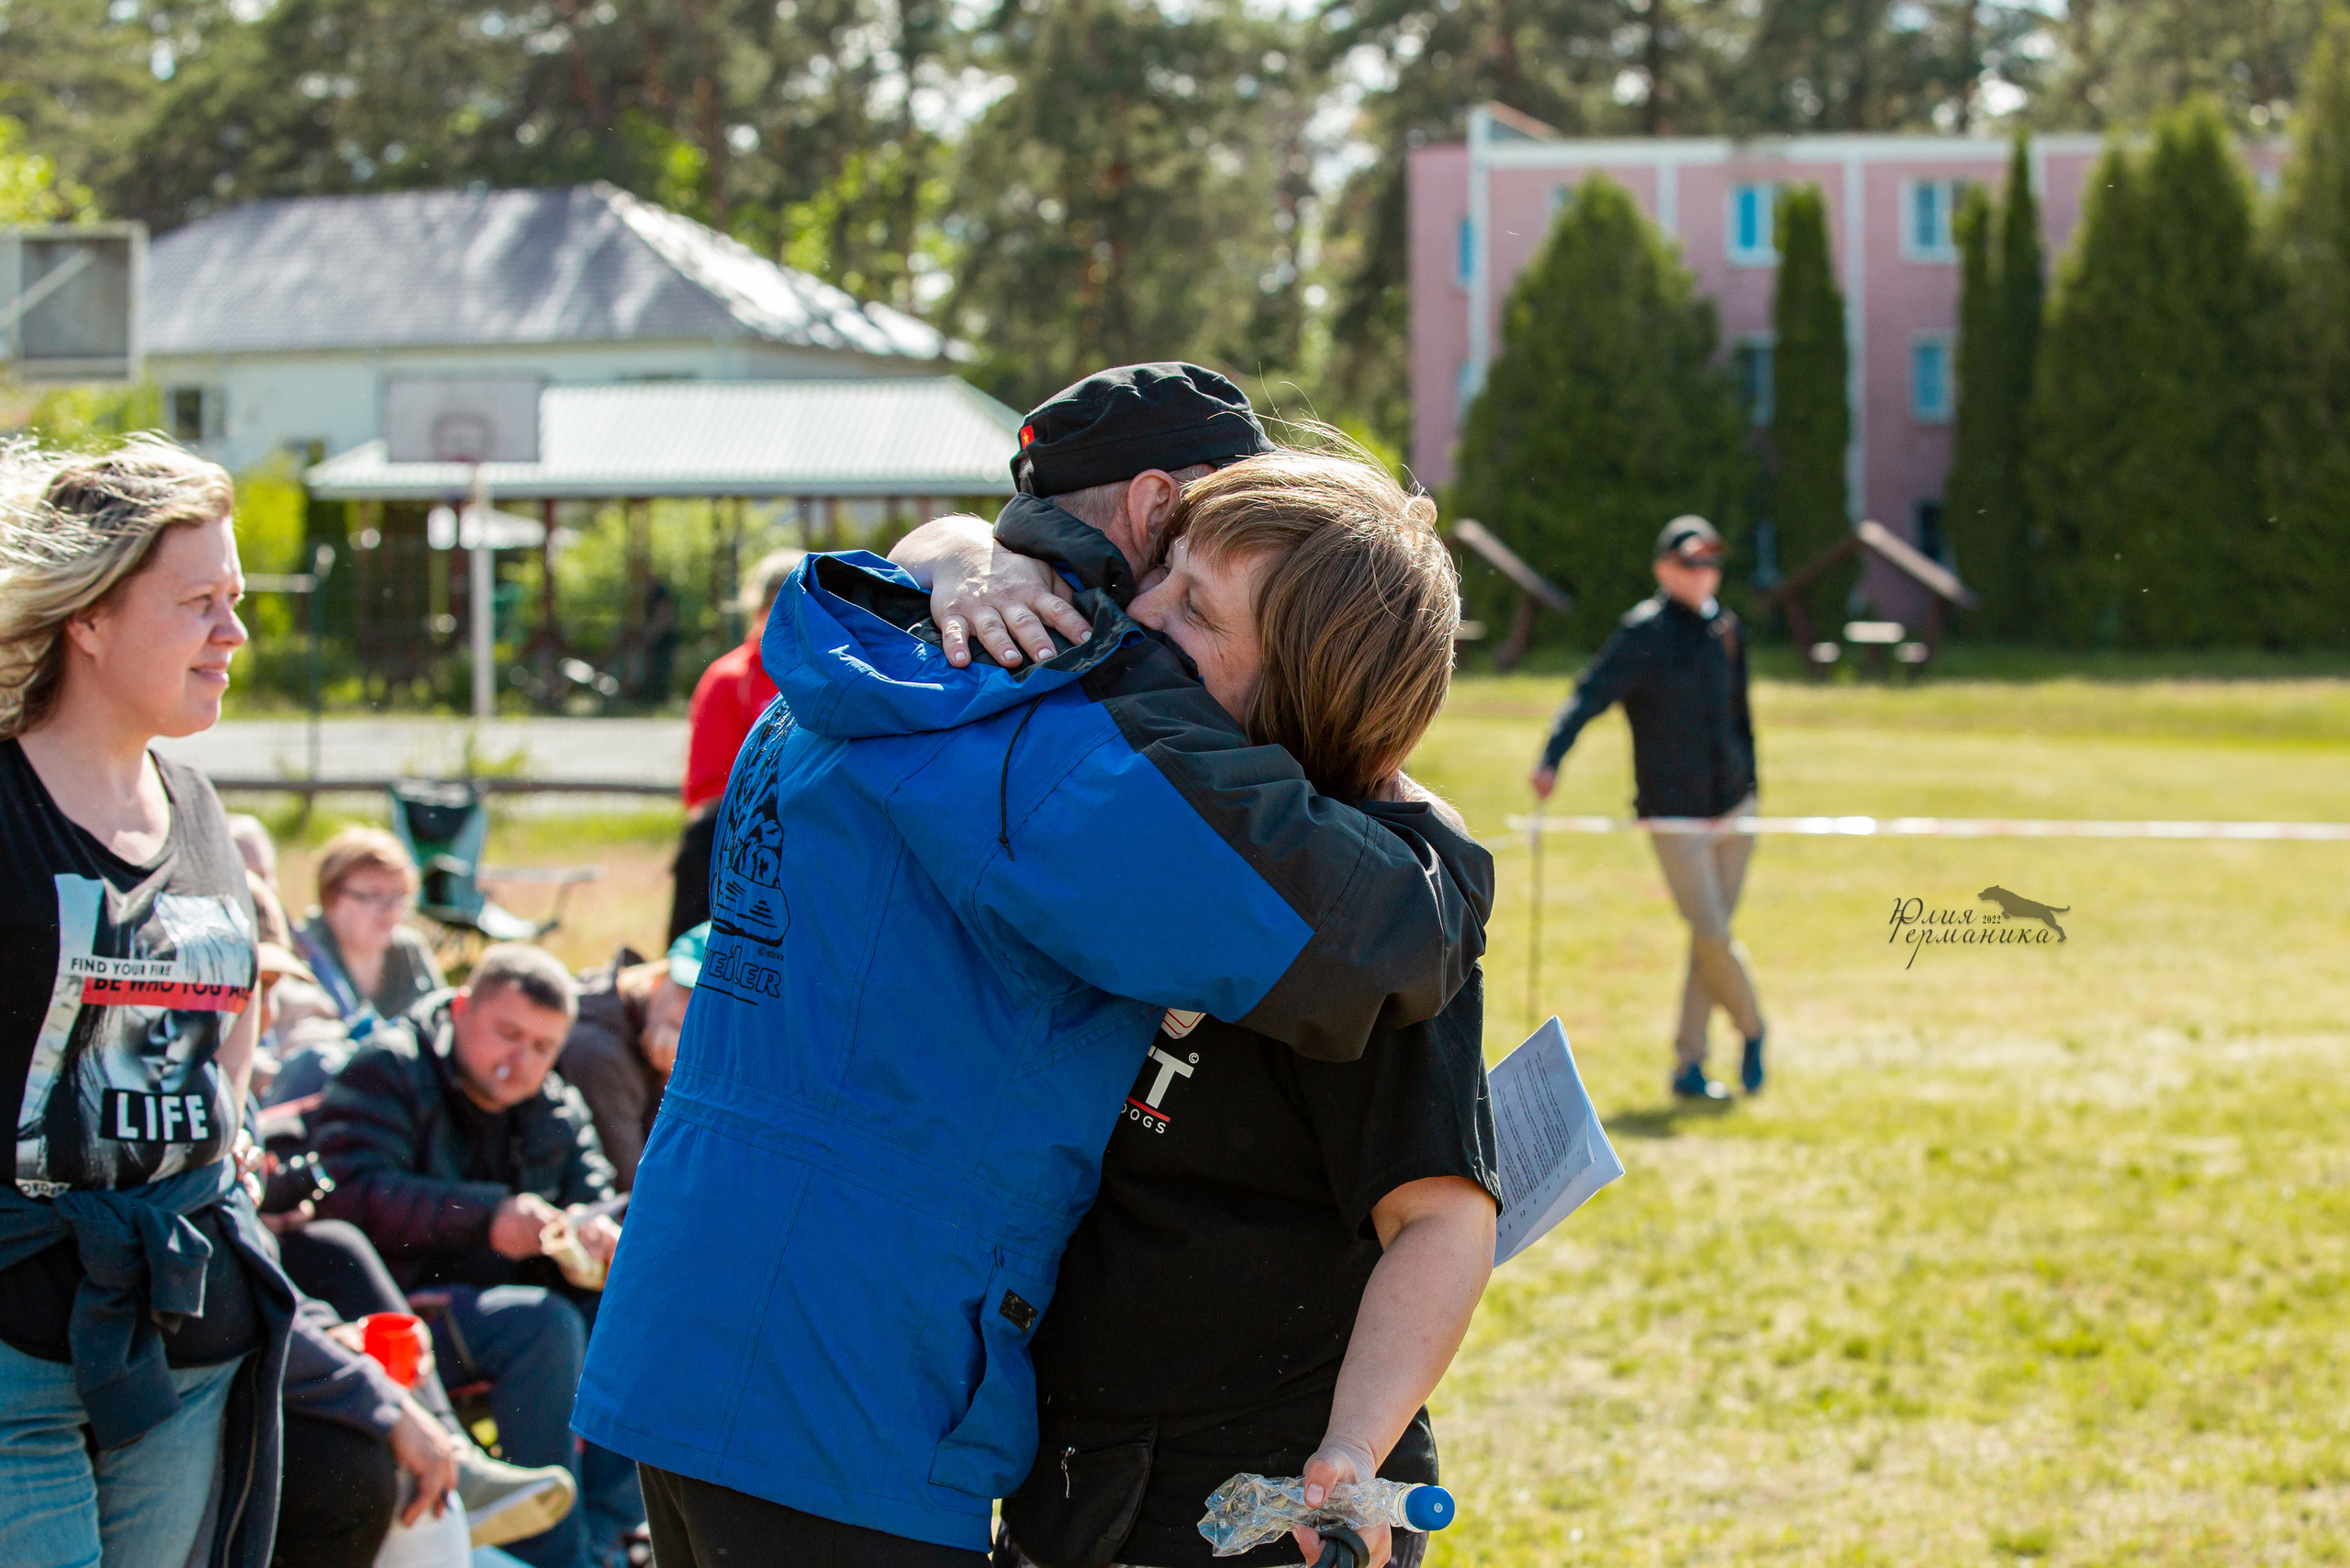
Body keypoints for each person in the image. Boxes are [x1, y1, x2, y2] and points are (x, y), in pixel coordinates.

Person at [576, 365, 1483, 1568]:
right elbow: (1378, 940)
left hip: (693, 1330)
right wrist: (1436, 848)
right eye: (1189, 559)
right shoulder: (1058, 741)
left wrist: (955, 547)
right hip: (848, 1388)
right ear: (1159, 505)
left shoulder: (878, 648)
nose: (1155, 610)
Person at [990, 461, 1500, 1568]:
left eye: (1197, 610)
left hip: (1258, 1499)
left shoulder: (1373, 920)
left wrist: (1351, 1452)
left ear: (1308, 697)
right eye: (1164, 571)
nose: (1140, 614)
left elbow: (1441, 1220)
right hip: (1070, 1472)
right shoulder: (1150, 823)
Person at [0, 434, 297, 1568]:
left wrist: (230, 1135)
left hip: (186, 1340)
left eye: (236, 599)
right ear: (87, 616)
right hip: (15, 1350)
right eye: (197, 603)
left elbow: (236, 1002)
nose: (234, 634)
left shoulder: (199, 807)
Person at [310, 943, 635, 1568]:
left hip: (503, 1306)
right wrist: (486, 1219)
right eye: (508, 1034)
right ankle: (555, 1554)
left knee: (632, 1313)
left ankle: (612, 1538)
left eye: (543, 1047)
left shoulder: (554, 1105)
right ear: (461, 1010)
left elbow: (594, 1195)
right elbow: (346, 1194)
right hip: (397, 1309)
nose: (523, 1060)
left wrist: (596, 1236)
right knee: (543, 1326)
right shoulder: (389, 1067)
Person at [1529, 515, 1768, 1101]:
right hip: (1674, 816)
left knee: (1708, 941)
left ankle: (1688, 1066)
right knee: (1712, 934)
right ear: (1664, 568)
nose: (1703, 572)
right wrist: (1552, 756)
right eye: (1690, 561)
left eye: (1711, 561)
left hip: (1737, 809)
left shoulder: (1728, 630)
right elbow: (1590, 694)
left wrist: (1753, 791)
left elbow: (1742, 719)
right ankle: (1754, 1027)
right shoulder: (1642, 633)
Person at [669, 549, 803, 941]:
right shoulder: (729, 680)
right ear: (756, 611)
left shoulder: (836, 673)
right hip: (745, 827)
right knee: (705, 838)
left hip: (816, 816)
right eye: (773, 606)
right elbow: (708, 787)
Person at [557, 924, 702, 1192]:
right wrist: (676, 1083)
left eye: (711, 1010)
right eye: (689, 995)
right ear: (658, 980)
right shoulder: (600, 1051)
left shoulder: (639, 1024)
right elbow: (640, 1187)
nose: (694, 1017)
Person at [291, 824, 447, 1034]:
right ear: (331, 897)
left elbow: (441, 1025)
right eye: (374, 895)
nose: (390, 909)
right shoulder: (301, 951)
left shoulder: (409, 950)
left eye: (397, 895)